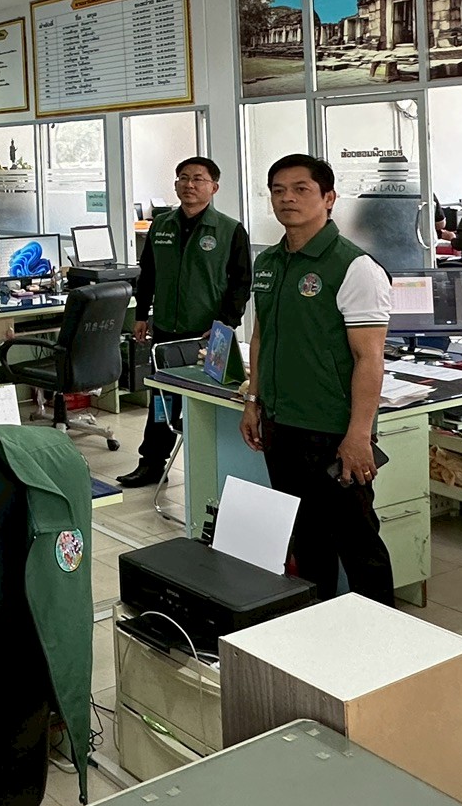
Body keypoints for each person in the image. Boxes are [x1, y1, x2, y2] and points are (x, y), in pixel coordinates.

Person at [238, 153, 397, 605]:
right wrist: (253, 400)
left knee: (358, 541)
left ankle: (384, 633)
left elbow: (369, 359)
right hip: (281, 424)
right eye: (278, 190)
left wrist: (359, 435)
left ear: (329, 198)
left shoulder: (355, 267)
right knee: (306, 539)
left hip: (332, 430)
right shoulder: (269, 262)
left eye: (300, 189)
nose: (287, 198)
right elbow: (261, 336)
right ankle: (317, 627)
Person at [123, 155, 251, 490]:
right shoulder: (161, 226)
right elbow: (148, 273)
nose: (189, 185)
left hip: (208, 334)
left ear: (214, 187)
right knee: (162, 400)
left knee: (209, 400)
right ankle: (152, 463)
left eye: (198, 179)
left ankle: (210, 470)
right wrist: (141, 314)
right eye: (183, 178)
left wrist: (225, 323)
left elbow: (241, 283)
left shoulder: (230, 230)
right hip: (166, 329)